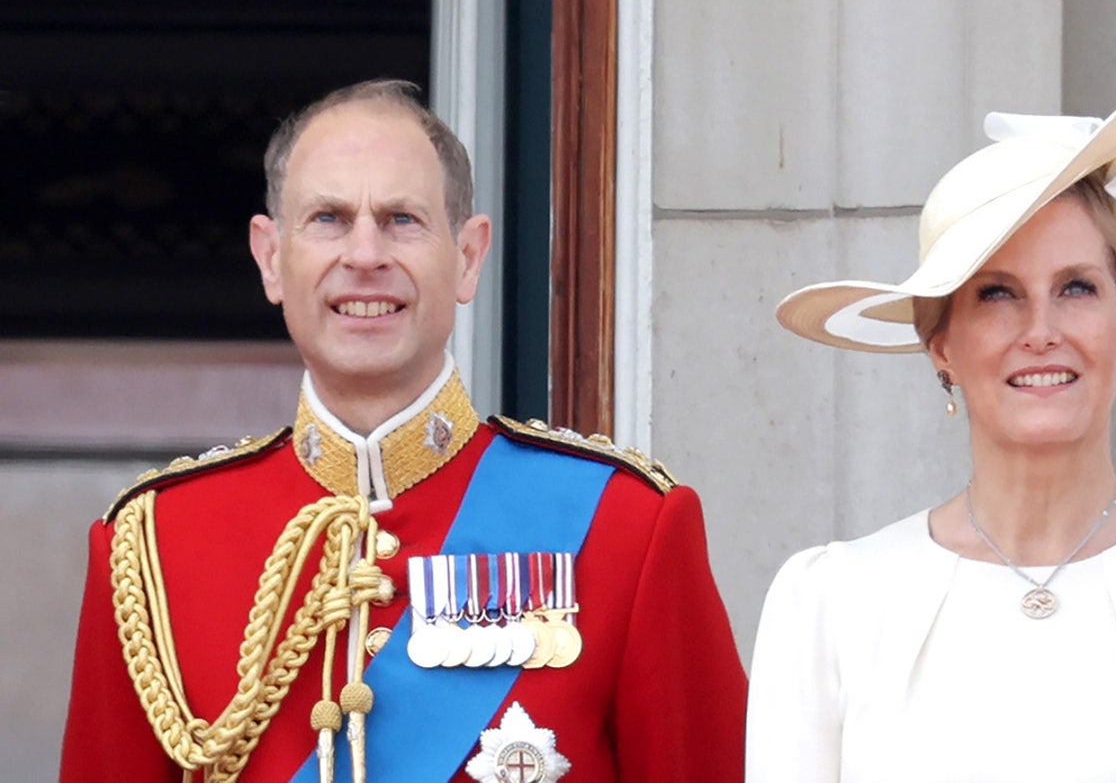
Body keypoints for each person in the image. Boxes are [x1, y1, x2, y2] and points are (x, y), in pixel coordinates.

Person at [60, 80, 747, 783]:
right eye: (327, 217)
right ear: (270, 258)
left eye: (401, 220)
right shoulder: (155, 545)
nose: (364, 254)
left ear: (469, 256)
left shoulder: (626, 527)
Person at [747, 21, 1116, 782]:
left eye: (1077, 288)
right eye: (997, 295)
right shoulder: (827, 602)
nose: (1041, 332)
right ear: (942, 344)